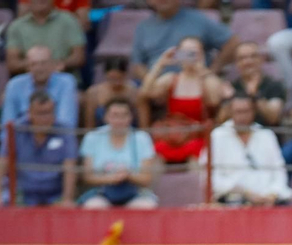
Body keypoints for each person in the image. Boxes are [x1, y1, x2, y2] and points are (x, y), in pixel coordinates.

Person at [140, 35, 224, 164]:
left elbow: (214, 100)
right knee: (156, 158)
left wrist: (202, 69)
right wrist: (160, 64)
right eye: (185, 52)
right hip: (172, 136)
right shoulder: (171, 79)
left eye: (194, 52)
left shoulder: (207, 79)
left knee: (196, 159)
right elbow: (146, 92)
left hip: (197, 138)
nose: (189, 56)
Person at [206, 94, 291, 205]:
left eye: (246, 111)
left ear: (254, 112)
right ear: (230, 112)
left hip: (268, 202)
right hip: (231, 202)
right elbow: (210, 178)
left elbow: (280, 172)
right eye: (238, 112)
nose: (242, 117)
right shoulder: (217, 136)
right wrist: (244, 192)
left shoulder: (266, 135)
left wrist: (272, 194)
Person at [0, 91, 76, 205]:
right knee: (2, 203)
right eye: (40, 113)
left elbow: (70, 167)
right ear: (29, 113)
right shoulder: (17, 129)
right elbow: (2, 162)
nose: (45, 118)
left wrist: (67, 199)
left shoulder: (64, 130)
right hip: (22, 193)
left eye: (49, 113)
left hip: (55, 195)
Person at [78, 98, 158, 207]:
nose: (119, 120)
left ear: (131, 117)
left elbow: (146, 178)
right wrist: (111, 178)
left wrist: (128, 176)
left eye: (124, 115)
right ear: (105, 117)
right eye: (115, 115)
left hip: (134, 193)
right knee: (94, 206)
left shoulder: (142, 138)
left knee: (145, 206)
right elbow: (88, 176)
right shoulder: (93, 137)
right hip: (102, 192)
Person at [130, 0, 233, 82]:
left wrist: (213, 70)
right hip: (157, 86)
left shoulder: (198, 19)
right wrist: (151, 82)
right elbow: (137, 65)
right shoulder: (143, 27)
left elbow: (232, 43)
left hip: (196, 83)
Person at [0, 45, 77, 147]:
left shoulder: (67, 82)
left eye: (43, 63)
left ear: (52, 65)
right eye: (34, 64)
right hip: (23, 140)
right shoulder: (14, 85)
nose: (39, 68)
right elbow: (7, 124)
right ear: (27, 67)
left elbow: (67, 123)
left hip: (56, 140)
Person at [4, 0, 85, 75]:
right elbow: (12, 63)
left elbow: (78, 57)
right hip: (28, 83)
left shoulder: (69, 21)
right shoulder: (17, 26)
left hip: (65, 80)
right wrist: (37, 65)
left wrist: (58, 64)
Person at [227, 42, 286, 127]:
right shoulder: (231, 87)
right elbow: (221, 121)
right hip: (237, 137)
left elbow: (273, 118)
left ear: (261, 59)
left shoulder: (274, 85)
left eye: (253, 56)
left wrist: (255, 96)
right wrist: (229, 99)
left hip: (267, 136)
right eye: (242, 58)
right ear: (236, 63)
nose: (248, 61)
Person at [85, 55, 138, 130]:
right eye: (112, 78)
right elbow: (89, 123)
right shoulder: (94, 92)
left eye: (119, 78)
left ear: (125, 75)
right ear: (105, 75)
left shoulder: (133, 91)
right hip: (101, 135)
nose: (116, 82)